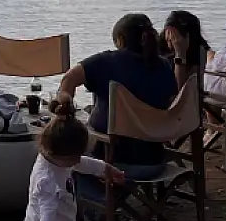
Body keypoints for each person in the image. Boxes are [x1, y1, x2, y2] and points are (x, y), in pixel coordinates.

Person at [53, 13, 178, 181]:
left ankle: (95, 196)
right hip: (154, 163)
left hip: (111, 163)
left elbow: (69, 78)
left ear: (120, 40)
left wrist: (65, 105)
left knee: (66, 155)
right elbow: (171, 102)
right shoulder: (164, 65)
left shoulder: (107, 62)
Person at [162, 10, 211, 91]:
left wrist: (180, 54)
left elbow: (181, 90)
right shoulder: (160, 51)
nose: (169, 44)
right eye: (168, 39)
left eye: (174, 38)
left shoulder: (199, 51)